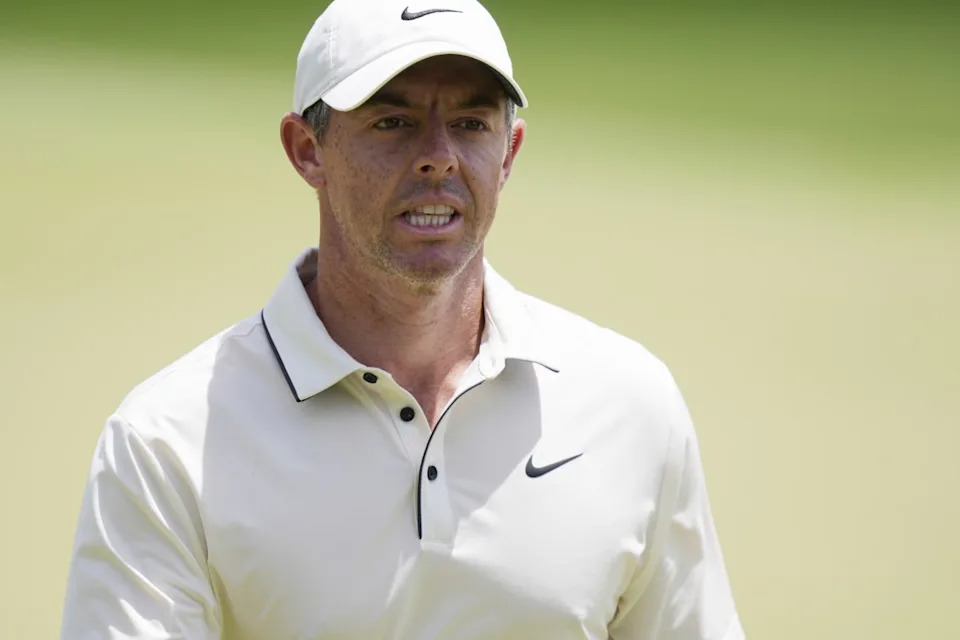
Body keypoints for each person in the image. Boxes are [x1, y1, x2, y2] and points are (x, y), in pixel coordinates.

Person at [60, 0, 745, 638]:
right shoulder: (165, 442)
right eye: (392, 122)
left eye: (471, 123)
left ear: (508, 153)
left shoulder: (631, 406)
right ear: (307, 150)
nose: (439, 155)